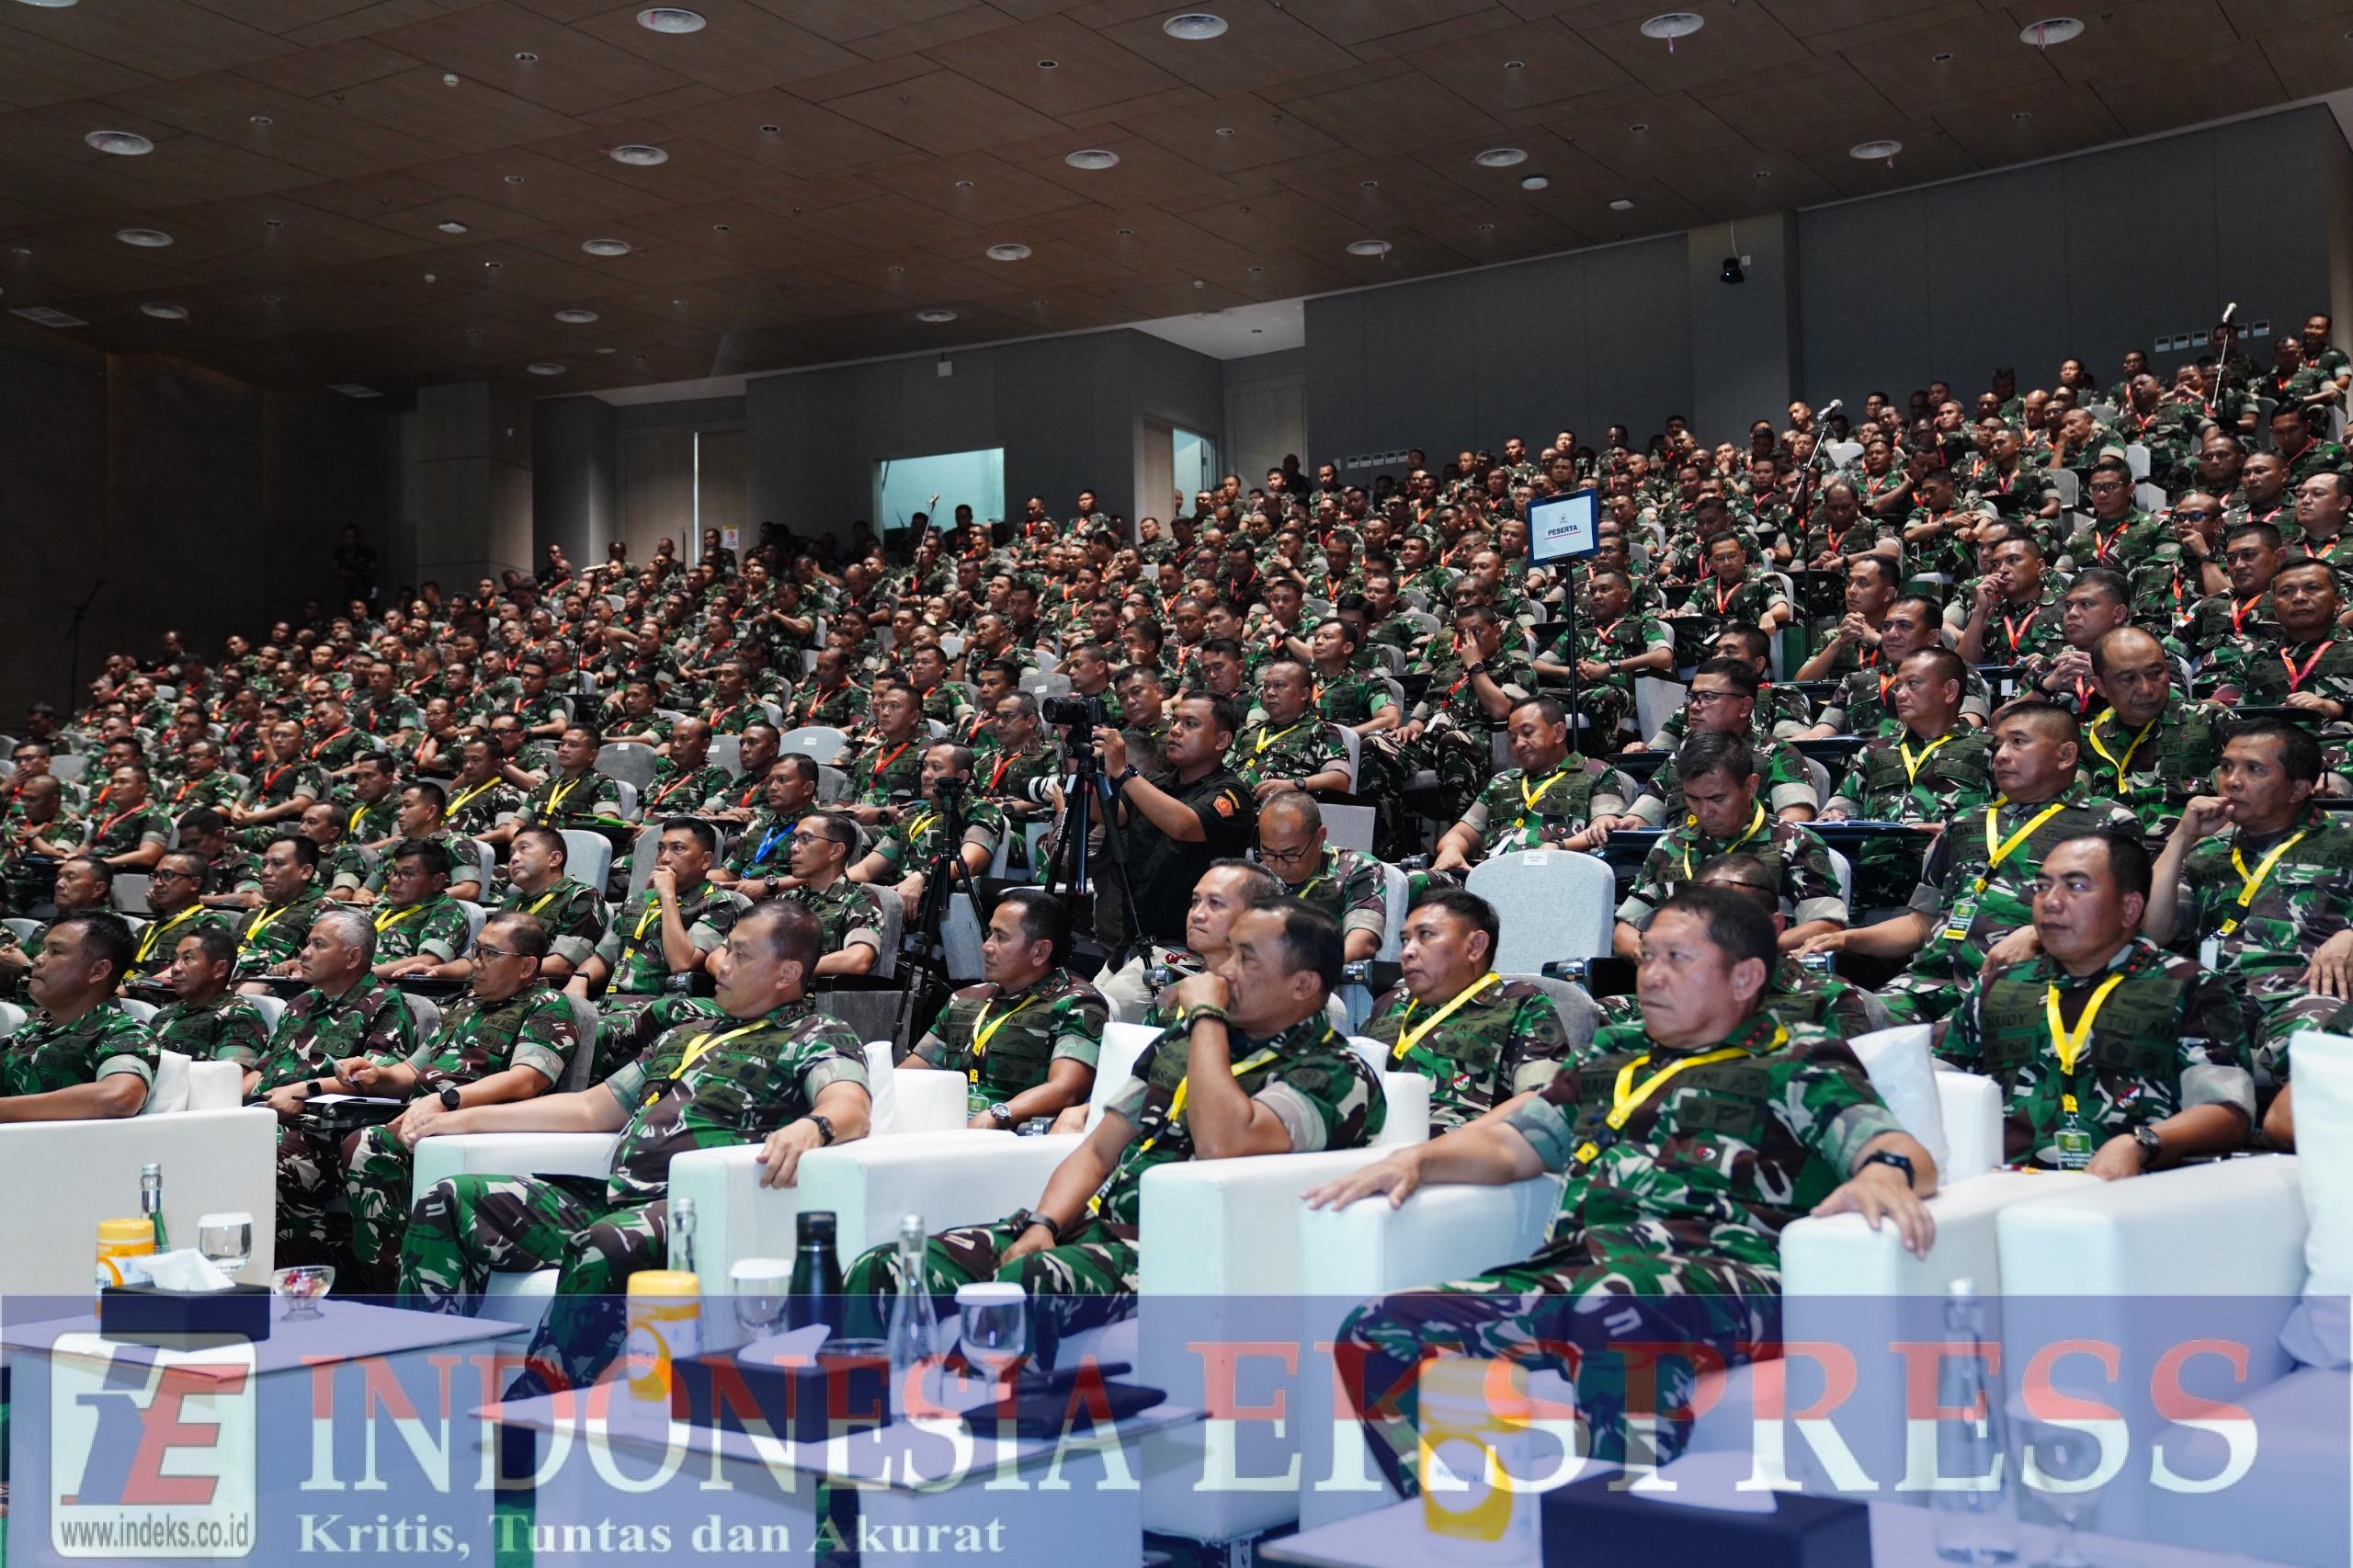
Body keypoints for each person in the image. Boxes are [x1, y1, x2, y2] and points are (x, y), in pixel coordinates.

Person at [1313, 885, 1937, 1478]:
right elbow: (1510, 1144)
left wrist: (1886, 1176)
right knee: (1378, 1331)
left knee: (1614, 1306)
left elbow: (1895, 1147)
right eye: (1648, 957)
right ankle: (1478, 1516)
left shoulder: (1797, 1056)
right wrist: (1418, 1161)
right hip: (1583, 1269)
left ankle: (1622, 1513)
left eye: (1677, 959)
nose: (1651, 976)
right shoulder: (1615, 1053)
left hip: (1724, 1279)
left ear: (1745, 977)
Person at [841, 900, 1384, 1338]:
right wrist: (1043, 1225)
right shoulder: (1186, 1039)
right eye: (1228, 955)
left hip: (1188, 1254)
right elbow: (1099, 1150)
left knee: (1024, 1282)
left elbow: (1224, 1142)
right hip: (1095, 1229)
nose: (1223, 972)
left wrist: (1205, 1016)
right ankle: (861, 1419)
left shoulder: (1336, 1073)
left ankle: (995, 1424)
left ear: (1303, 985)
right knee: (889, 1267)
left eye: (1246, 960)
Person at [397, 902, 871, 1393]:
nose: (721, 964)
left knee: (605, 1243)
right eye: (726, 950)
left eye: (740, 955)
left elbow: (851, 1105)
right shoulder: (687, 1034)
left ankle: (538, 1404)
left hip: (692, 1212)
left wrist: (814, 1126)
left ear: (787, 973)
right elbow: (590, 1109)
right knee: (449, 1199)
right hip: (613, 1198)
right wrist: (460, 1117)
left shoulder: (814, 1034)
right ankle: (426, 1382)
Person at [1806, 702, 2143, 1023]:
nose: (2002, 755)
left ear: (2065, 755)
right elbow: (1921, 923)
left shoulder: (2107, 823)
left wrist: (2037, 934)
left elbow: (2122, 923)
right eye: (1998, 746)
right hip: (1928, 986)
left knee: (1933, 1046)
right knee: (1834, 1018)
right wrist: (1847, 939)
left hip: (2026, 986)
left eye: (2019, 742)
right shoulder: (1967, 821)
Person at [1943, 833, 2251, 1174]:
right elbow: (1936, 1087)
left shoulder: (2187, 984)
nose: (2050, 901)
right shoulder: (1998, 985)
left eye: (2076, 887)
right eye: (2042, 886)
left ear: (2129, 908)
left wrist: (2142, 1143)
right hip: (2001, 1186)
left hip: (2129, 1188)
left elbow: (2228, 1112)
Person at [340, 912, 585, 1290]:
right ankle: (385, 1277)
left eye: (490, 954)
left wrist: (447, 1101)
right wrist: (377, 1075)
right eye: (476, 950)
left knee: (368, 1145)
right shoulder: (466, 1004)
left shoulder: (547, 1005)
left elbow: (527, 1080)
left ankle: (391, 1285)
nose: (476, 962)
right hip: (426, 1118)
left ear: (526, 967)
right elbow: (413, 1069)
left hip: (482, 1127)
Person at [2133, 721, 2353, 1089]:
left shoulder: (2344, 837)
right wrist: (2181, 839)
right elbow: (2153, 931)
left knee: (2317, 1046)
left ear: (2298, 789)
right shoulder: (2205, 850)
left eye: (2254, 769)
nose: (2232, 781)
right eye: (2226, 767)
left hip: (2304, 996)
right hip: (2212, 998)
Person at [251, 909, 422, 1256]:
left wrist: (302, 1092)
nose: (304, 953)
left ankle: (319, 1267)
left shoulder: (385, 1004)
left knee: (261, 1156)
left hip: (328, 1135)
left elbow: (371, 1078)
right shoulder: (300, 1004)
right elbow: (261, 1072)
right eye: (307, 943)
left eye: (318, 945)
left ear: (353, 957)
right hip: (267, 1118)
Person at [1613, 731, 1846, 958]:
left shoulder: (1794, 842)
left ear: (1751, 786)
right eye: (1693, 798)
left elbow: (1827, 925)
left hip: (1766, 972)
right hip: (1679, 973)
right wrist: (1645, 952)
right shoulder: (1670, 845)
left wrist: (1742, 950)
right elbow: (1625, 930)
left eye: (1717, 798)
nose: (1704, 811)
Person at [1359, 889, 1572, 1131]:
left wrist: (1440, 1146)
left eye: (1425, 935)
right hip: (1370, 1142)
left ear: (1475, 946)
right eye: (1405, 940)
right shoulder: (1388, 1003)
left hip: (1459, 1147)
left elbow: (1543, 1099)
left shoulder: (1519, 1003)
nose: (1407, 952)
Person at [899, 888, 1107, 1130]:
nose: (986, 946)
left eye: (1001, 937)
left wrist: (998, 1114)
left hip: (1014, 1134)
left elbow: (1066, 1090)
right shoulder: (965, 999)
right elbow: (912, 1071)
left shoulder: (1076, 1004)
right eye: (990, 934)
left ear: (1040, 952)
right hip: (946, 1125)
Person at [1819, 647, 1994, 909]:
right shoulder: (1875, 751)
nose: (1899, 694)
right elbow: (1844, 802)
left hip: (1953, 878)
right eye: (1898, 685)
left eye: (1913, 684)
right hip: (1873, 883)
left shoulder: (1991, 747)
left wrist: (1964, 829)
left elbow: (2016, 814)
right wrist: (1833, 814)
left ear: (1949, 691)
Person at [581, 819, 746, 1079]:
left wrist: (668, 896)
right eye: (661, 848)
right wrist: (579, 980)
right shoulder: (640, 900)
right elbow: (605, 956)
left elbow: (683, 962)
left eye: (678, 848)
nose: (664, 858)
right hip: (609, 1003)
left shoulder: (719, 903)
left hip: (657, 1007)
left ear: (705, 860)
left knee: (586, 1034)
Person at [1093, 693, 1256, 955]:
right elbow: (1107, 814)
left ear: (1222, 740)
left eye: (1191, 724)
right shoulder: (1154, 782)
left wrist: (1123, 771)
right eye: (1175, 721)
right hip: (1135, 939)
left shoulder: (1232, 793)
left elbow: (1184, 825)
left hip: (1192, 947)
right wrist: (1079, 759)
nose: (1176, 730)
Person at [1430, 697, 1631, 870]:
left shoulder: (1594, 771)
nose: (1519, 744)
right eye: (1512, 738)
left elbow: (1605, 827)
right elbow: (1460, 835)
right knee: (1420, 880)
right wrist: (1451, 849)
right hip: (1491, 874)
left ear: (1559, 732)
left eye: (1528, 732)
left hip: (1554, 873)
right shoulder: (1502, 781)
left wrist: (1560, 847)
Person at [1617, 660, 1818, 825]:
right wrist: (1615, 825)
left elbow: (1796, 818)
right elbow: (1636, 822)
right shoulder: (1678, 759)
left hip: (1751, 856)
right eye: (1693, 697)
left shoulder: (1776, 753)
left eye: (1708, 697)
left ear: (1744, 707)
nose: (1694, 707)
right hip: (1682, 856)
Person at [1, 913, 156, 1118]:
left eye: (56, 952)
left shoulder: (123, 1032)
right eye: (42, 950)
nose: (38, 959)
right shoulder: (35, 1029)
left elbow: (118, 1097)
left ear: (98, 970)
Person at [1091, 859, 1282, 1025]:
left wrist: (1205, 1015)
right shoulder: (1175, 995)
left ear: (1256, 917)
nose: (1197, 914)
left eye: (1215, 903)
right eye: (1195, 901)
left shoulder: (1268, 1008)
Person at [2077, 627, 2227, 834]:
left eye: (2155, 673)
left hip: (2194, 847)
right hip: (2110, 848)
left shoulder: (2212, 720)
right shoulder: (2086, 738)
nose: (2146, 689)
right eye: (2128, 679)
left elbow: (2240, 810)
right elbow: (2071, 812)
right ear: (2101, 687)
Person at [846, 743, 1004, 911]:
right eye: (925, 767)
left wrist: (922, 876)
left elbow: (969, 864)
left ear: (962, 777)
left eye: (937, 767)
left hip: (941, 906)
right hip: (899, 902)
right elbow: (867, 869)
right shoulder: (911, 814)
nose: (926, 775)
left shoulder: (979, 810)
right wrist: (835, 885)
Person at [1255, 792, 1388, 964]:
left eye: (1291, 854)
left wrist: (1311, 969)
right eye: (1269, 853)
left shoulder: (1357, 868)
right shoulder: (1258, 877)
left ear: (1319, 838)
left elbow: (1363, 941)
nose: (1280, 865)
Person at [492, 825, 606, 984]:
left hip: (543, 992)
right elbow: (476, 959)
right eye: (511, 853)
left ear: (554, 859)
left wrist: (497, 970)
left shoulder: (581, 896)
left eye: (524, 848)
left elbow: (562, 965)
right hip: (495, 986)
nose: (514, 858)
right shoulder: (509, 904)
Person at [778, 812, 887, 977]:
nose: (793, 848)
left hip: (812, 991)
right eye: (793, 839)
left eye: (805, 839)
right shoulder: (789, 898)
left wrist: (790, 971)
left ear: (836, 851)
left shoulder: (860, 898)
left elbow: (858, 959)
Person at [148, 926, 272, 1068]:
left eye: (188, 958)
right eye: (176, 959)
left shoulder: (237, 1015)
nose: (175, 968)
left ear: (220, 969)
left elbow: (232, 1076)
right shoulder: (164, 1014)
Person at [1231, 660, 1352, 801]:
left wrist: (1293, 785)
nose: (1270, 692)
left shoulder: (1320, 730)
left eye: (1279, 685)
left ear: (1303, 694)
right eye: (1266, 687)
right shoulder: (1247, 732)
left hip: (1286, 807)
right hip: (1236, 806)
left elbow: (1340, 779)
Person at [367, 840, 474, 980]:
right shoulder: (384, 905)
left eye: (407, 874)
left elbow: (430, 961)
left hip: (388, 986)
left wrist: (361, 974)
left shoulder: (446, 910)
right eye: (394, 872)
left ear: (437, 881)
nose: (394, 881)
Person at [233, 835, 331, 982]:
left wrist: (298, 966)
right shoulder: (253, 914)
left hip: (278, 988)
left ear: (305, 872)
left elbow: (329, 968)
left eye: (277, 864)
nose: (265, 872)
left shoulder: (324, 911)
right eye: (264, 864)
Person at [124, 851, 233, 983]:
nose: (157, 883)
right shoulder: (148, 928)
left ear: (195, 884)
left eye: (168, 875)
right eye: (156, 876)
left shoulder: (209, 922)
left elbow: (195, 972)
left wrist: (133, 986)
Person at [85, 764, 170, 871]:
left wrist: (102, 864)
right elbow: (86, 848)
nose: (115, 787)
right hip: (92, 867)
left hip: (119, 873)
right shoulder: (107, 816)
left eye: (123, 782)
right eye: (113, 782)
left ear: (143, 789)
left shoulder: (153, 816)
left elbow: (148, 856)